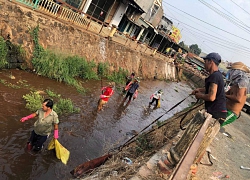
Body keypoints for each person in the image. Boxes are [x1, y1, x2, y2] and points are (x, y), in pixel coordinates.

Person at [191, 52, 227, 124]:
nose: (204, 64)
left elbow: (211, 97)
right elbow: (213, 90)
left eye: (205, 61)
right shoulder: (218, 75)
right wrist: (200, 90)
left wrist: (199, 95)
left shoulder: (215, 76)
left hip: (216, 113)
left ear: (211, 62)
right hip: (219, 112)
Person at [222, 62, 250, 126]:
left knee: (215, 124)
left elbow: (238, 99)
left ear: (237, 71)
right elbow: (227, 94)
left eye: (232, 70)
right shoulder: (235, 84)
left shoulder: (242, 82)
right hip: (226, 109)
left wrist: (223, 95)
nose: (230, 72)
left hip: (231, 112)